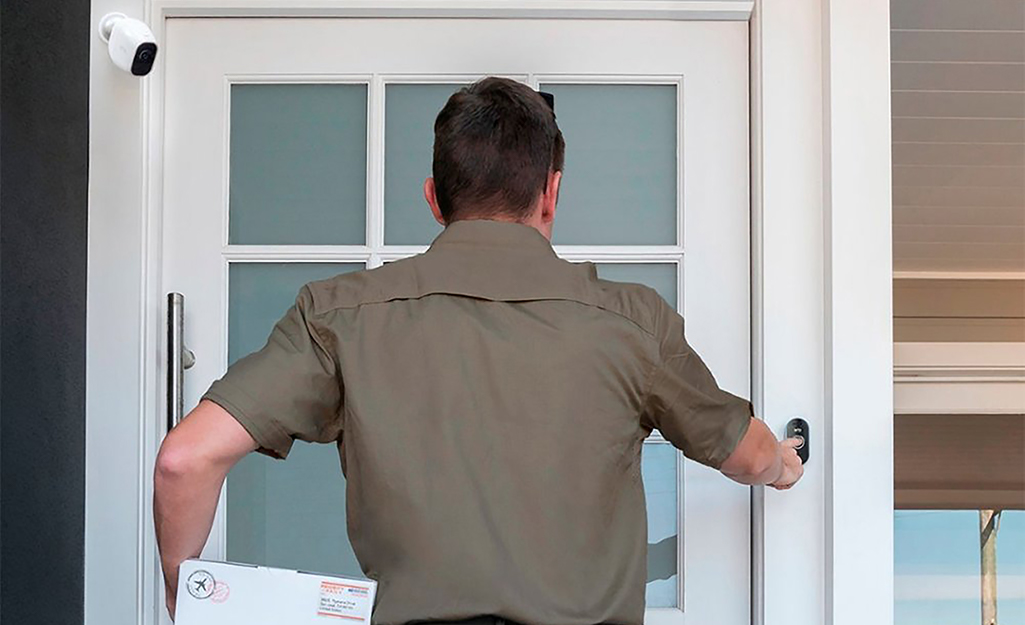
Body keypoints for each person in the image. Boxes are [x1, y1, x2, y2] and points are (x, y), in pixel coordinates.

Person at [154, 76, 803, 625]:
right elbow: (742, 452)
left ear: (434, 198)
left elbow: (185, 459)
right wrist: (782, 462)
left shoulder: (338, 315)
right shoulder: (631, 322)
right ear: (550, 193)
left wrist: (190, 599)